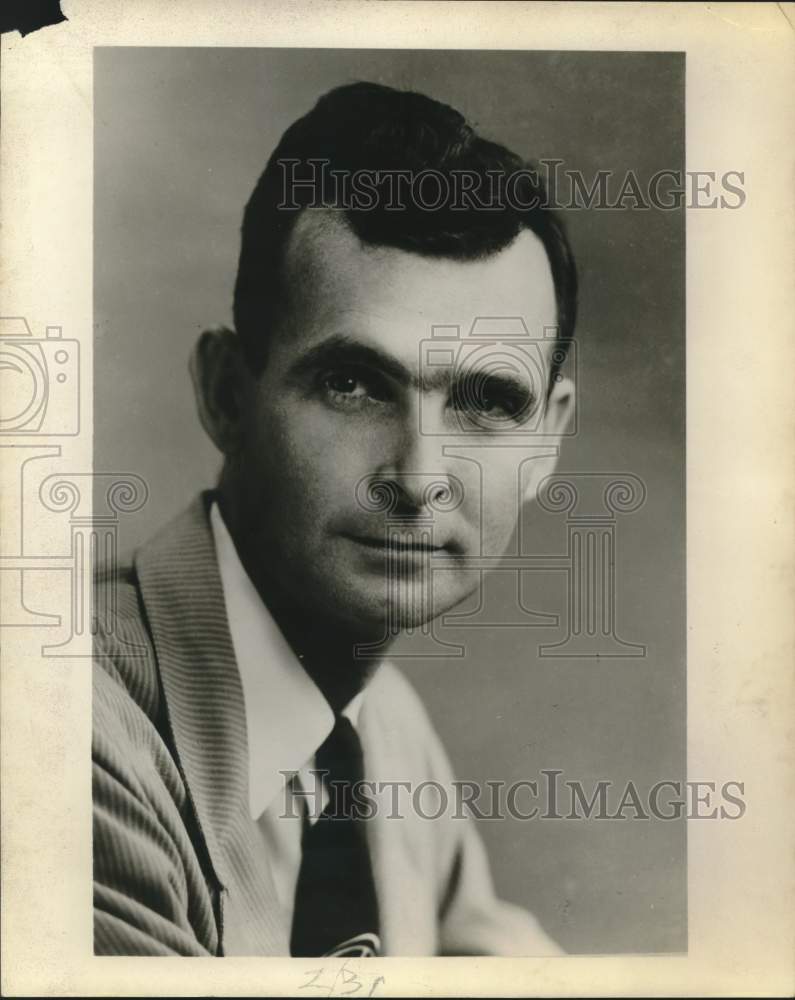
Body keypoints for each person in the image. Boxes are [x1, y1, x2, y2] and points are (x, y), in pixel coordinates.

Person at [92, 80, 577, 957]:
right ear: (227, 394)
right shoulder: (63, 733)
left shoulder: (381, 728)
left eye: (486, 402)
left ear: (546, 440)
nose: (420, 477)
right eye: (353, 385)